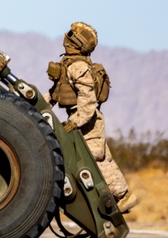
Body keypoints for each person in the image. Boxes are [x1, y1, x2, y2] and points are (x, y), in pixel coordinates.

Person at [45, 22, 139, 214]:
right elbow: (55, 93)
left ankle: (123, 197)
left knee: (96, 159)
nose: (66, 37)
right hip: (81, 119)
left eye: (71, 35)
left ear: (77, 42)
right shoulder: (68, 64)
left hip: (88, 122)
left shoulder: (79, 67)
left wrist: (75, 123)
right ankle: (120, 197)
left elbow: (88, 103)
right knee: (99, 159)